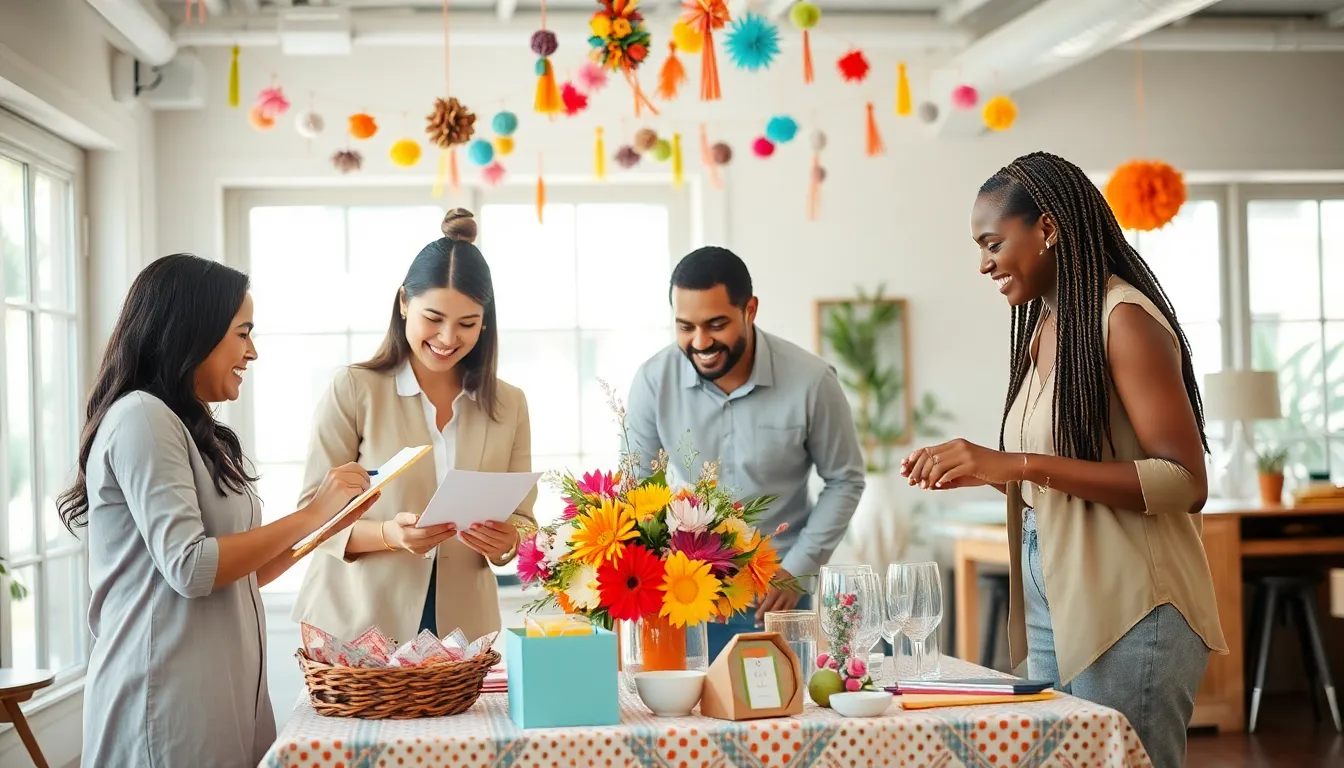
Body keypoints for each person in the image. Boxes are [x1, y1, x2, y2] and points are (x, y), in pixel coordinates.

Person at [902, 151, 1227, 768]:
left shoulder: (1122, 317)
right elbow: (1061, 471)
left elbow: (1184, 482)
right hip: (1055, 595)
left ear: (1047, 229)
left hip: (1132, 607)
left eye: (992, 242)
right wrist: (987, 472)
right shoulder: (1048, 325)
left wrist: (1015, 465)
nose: (983, 263)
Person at [58, 254, 376, 768]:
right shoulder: (142, 418)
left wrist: (330, 522)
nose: (252, 352)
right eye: (242, 333)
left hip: (221, 696)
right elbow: (193, 567)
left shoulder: (190, 429)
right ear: (193, 331)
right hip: (165, 700)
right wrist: (312, 511)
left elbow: (245, 573)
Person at [292, 214, 537, 644]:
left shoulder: (509, 404)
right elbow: (313, 520)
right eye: (434, 317)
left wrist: (507, 541)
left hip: (465, 634)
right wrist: (391, 535)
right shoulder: (354, 388)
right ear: (404, 302)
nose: (447, 337)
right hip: (359, 626)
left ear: (485, 321)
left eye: (467, 323)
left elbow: (524, 524)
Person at [625, 246, 866, 660]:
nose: (700, 342)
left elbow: (845, 479)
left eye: (716, 324)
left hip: (778, 598)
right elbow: (636, 492)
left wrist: (798, 570)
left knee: (779, 720)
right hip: (686, 596)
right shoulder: (652, 382)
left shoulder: (812, 381)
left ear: (749, 310)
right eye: (685, 327)